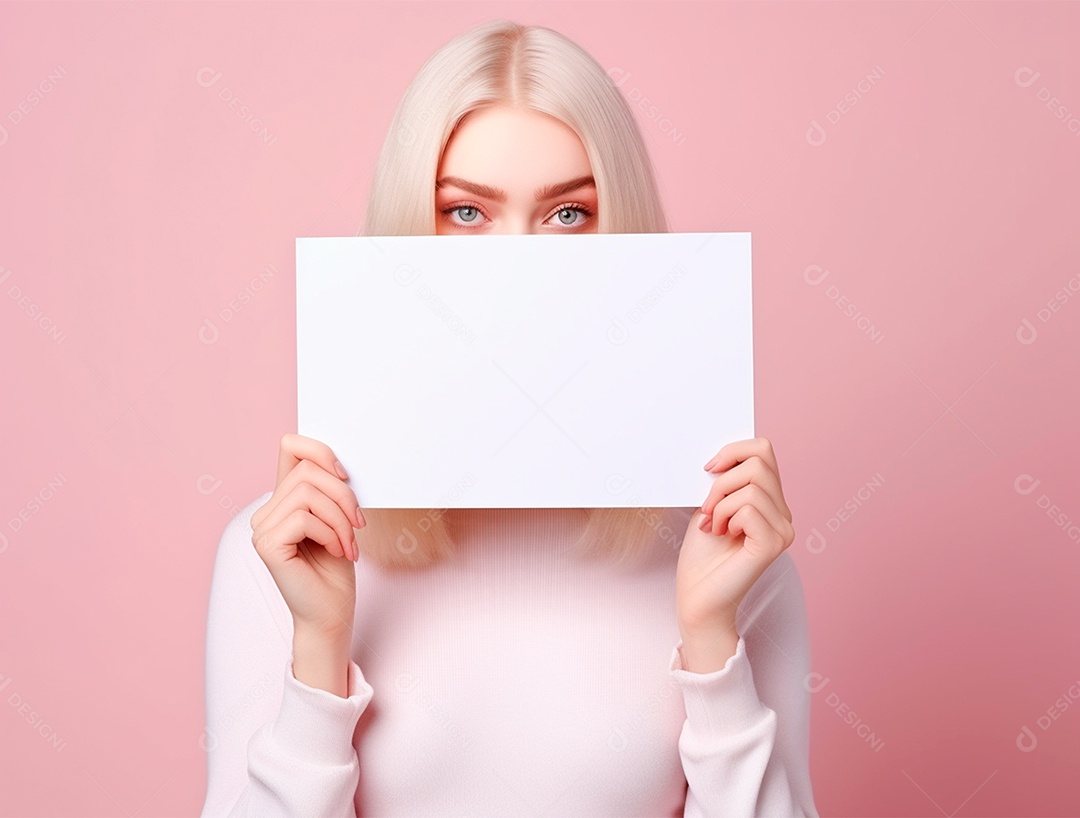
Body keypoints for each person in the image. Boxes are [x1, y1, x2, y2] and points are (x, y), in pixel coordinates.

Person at [200, 19, 818, 817]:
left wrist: (709, 639)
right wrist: (317, 649)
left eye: (568, 215)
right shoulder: (276, 558)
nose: (517, 261)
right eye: (466, 213)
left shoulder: (730, 555)